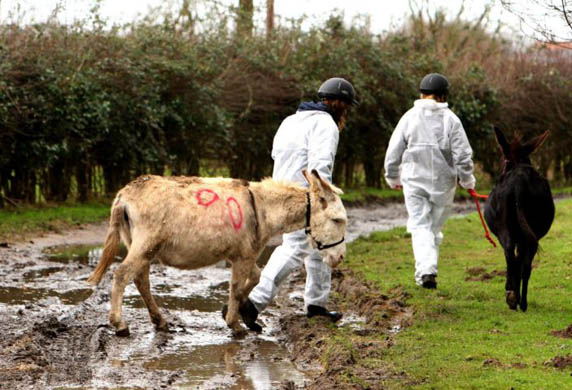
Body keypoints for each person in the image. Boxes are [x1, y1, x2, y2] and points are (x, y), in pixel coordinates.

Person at [237, 77, 358, 332]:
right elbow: (320, 165)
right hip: (307, 196)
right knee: (294, 248)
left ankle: (316, 304)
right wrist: (323, 199)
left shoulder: (290, 121)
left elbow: (275, 155)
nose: (347, 111)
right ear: (338, 103)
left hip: (281, 192)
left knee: (318, 246)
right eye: (347, 105)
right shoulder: (327, 124)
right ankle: (252, 303)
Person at [384, 73, 476, 289]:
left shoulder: (409, 117)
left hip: (414, 181)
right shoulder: (451, 120)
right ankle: (426, 272)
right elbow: (463, 155)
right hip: (443, 185)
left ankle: (425, 272)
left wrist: (392, 176)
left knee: (421, 226)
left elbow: (394, 150)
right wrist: (467, 180)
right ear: (443, 96)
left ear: (421, 94)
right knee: (431, 228)